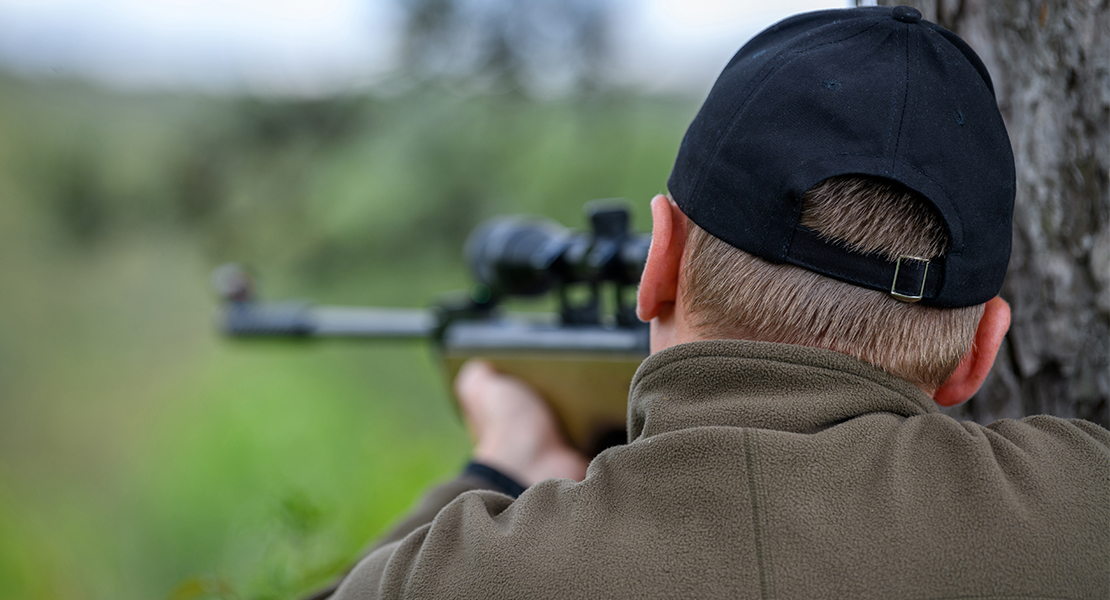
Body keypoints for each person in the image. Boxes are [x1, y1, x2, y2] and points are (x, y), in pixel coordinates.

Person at [322, 6, 1110, 599]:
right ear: (980, 351)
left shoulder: (453, 577)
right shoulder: (1083, 510)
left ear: (657, 261)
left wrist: (493, 467)